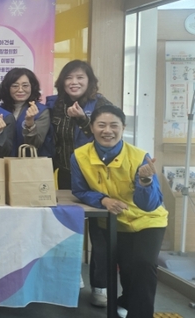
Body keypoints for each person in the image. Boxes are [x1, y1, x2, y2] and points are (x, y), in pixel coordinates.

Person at [71, 105, 167, 318]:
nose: (108, 131)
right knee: (127, 269)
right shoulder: (79, 156)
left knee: (144, 264)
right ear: (92, 128)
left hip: (148, 221)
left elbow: (150, 205)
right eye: (101, 125)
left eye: (114, 125)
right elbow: (80, 190)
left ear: (123, 128)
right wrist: (103, 200)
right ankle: (125, 301)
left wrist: (145, 181)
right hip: (113, 222)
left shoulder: (140, 157)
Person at [46, 59, 112, 306]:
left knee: (99, 233)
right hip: (65, 173)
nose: (74, 82)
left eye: (80, 77)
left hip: (96, 175)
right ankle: (72, 276)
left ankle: (100, 286)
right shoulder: (55, 105)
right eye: (69, 77)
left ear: (90, 81)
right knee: (68, 228)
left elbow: (108, 137)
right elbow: (50, 140)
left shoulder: (102, 105)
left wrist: (84, 120)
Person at [0, 68, 52, 156]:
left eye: (25, 85)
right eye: (15, 86)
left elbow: (36, 144)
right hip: (3, 162)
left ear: (32, 87)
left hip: (30, 163)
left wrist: (30, 124)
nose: (20, 90)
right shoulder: (0, 111)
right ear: (7, 88)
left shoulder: (41, 111)